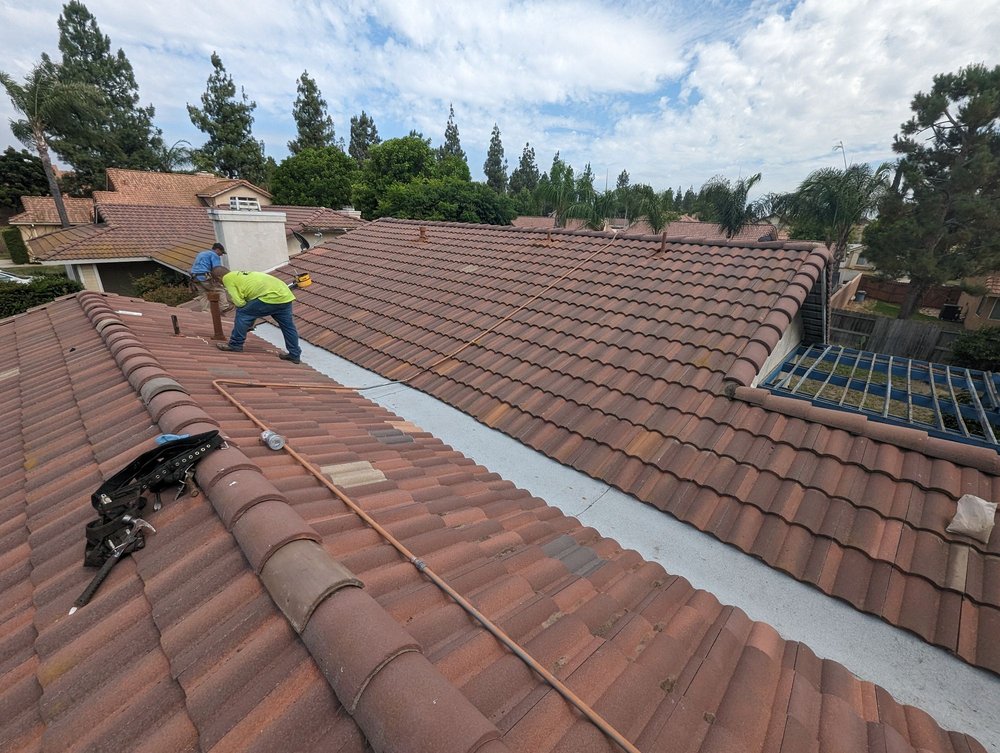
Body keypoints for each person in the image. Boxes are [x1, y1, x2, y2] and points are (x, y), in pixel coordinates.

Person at [213, 266, 302, 363]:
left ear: (219, 278)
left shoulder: (227, 278)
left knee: (243, 313)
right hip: (285, 296)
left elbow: (239, 303)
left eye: (217, 281)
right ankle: (294, 354)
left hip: (271, 297)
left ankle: (235, 344)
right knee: (288, 327)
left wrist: (247, 317)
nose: (220, 284)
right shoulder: (239, 275)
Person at [189, 242, 231, 312]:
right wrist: (220, 281)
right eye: (221, 252)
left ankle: (206, 311)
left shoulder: (201, 253)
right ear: (217, 250)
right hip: (204, 277)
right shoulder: (214, 255)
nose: (221, 255)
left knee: (203, 295)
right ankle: (224, 307)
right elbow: (217, 270)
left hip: (195, 277)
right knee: (220, 290)